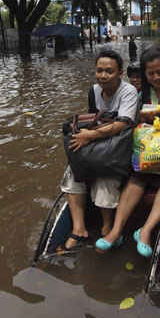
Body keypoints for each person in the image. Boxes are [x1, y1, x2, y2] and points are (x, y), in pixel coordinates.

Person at [96, 48, 160, 257]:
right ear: (144, 74)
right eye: (151, 73)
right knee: (137, 175)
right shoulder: (142, 95)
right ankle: (116, 231)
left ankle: (145, 231)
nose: (156, 77)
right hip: (153, 149)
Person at [60, 50, 139, 250]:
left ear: (119, 73)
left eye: (109, 71)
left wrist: (90, 137)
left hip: (120, 145)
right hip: (99, 141)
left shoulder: (128, 91)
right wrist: (86, 137)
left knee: (106, 176)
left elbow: (123, 124)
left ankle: (107, 226)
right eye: (99, 71)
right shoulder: (94, 91)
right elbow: (92, 120)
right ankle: (79, 229)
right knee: (73, 170)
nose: (103, 76)